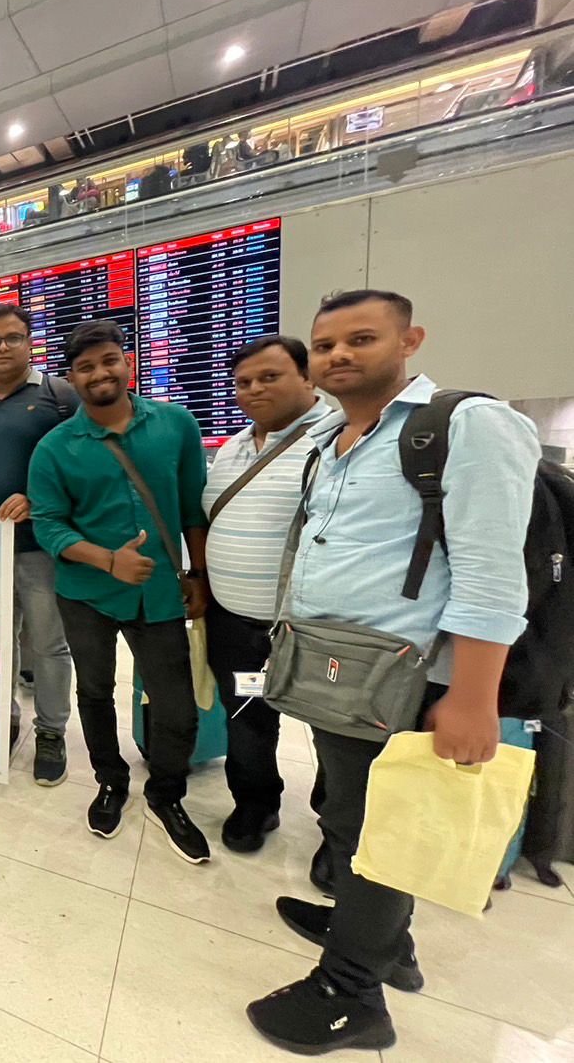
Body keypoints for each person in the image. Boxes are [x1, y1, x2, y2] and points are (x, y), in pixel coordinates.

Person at [246, 291, 539, 1055]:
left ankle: (350, 992)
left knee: (375, 827)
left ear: (409, 340)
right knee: (350, 813)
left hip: (411, 677)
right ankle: (382, 938)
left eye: (361, 338)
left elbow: (489, 570)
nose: (338, 354)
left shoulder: (464, 424)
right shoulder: (335, 437)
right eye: (324, 345)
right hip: (339, 668)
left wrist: (472, 696)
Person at [28, 322, 211, 863]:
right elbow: (49, 524)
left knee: (175, 704)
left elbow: (192, 508)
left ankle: (167, 793)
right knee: (94, 691)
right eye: (85, 367)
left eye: (109, 360)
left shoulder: (176, 425)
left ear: (127, 362)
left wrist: (198, 575)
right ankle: (110, 780)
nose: (99, 373)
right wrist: (108, 560)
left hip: (159, 593)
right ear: (71, 377)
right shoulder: (54, 448)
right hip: (85, 593)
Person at [200, 336, 331, 853]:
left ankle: (338, 830)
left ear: (307, 377)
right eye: (244, 382)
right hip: (237, 625)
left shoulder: (339, 439)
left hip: (315, 628)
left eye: (269, 377)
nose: (254, 389)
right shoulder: (233, 446)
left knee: (331, 727)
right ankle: (255, 804)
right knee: (247, 715)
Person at [0, 306, 79, 784]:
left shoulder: (58, 397)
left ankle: (51, 730)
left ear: (30, 342)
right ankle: (4, 719)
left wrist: (38, 498)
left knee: (48, 645)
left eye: (12, 338)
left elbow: (81, 466)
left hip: (41, 547)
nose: (2, 347)